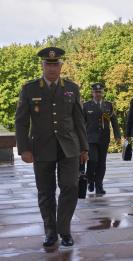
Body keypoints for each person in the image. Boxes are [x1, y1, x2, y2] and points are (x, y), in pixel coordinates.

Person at [15, 47, 89, 248]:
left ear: (61, 65)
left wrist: (84, 147)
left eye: (55, 64)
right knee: (45, 191)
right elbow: (21, 122)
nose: (52, 67)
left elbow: (79, 120)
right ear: (42, 65)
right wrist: (24, 149)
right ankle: (50, 231)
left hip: (69, 147)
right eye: (48, 64)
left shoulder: (72, 88)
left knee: (70, 187)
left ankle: (64, 230)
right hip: (41, 147)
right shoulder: (30, 89)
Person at [83, 83, 121, 195]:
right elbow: (81, 123)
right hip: (90, 138)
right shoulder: (86, 106)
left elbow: (114, 121)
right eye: (96, 92)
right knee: (93, 160)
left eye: (100, 92)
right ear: (92, 93)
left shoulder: (108, 105)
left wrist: (117, 135)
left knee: (101, 163)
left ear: (103, 93)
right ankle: (90, 180)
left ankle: (99, 185)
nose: (98, 94)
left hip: (104, 138)